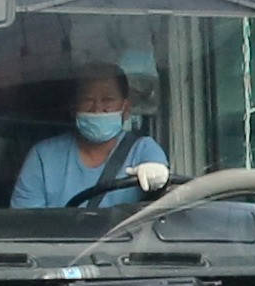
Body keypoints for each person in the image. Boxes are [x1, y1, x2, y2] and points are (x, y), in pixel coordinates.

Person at [10, 64, 166, 209]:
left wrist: (159, 181)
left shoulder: (144, 150)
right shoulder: (43, 156)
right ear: (73, 107)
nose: (97, 108)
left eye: (108, 100)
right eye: (87, 100)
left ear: (125, 109)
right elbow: (25, 222)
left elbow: (162, 207)